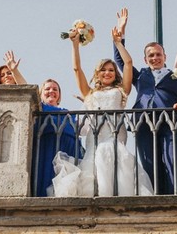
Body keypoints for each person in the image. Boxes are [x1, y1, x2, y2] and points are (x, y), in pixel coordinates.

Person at [53, 24, 151, 197]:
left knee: (117, 171)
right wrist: (75, 45)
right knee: (92, 173)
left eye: (111, 70)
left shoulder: (122, 91)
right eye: (103, 70)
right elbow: (77, 69)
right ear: (97, 74)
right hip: (95, 138)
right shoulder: (89, 93)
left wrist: (118, 43)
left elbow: (128, 63)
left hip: (114, 137)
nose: (108, 73)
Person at [113, 8, 177, 195]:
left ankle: (175, 196)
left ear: (165, 56)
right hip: (144, 122)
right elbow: (121, 61)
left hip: (169, 122)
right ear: (145, 59)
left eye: (158, 54)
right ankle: (154, 196)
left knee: (171, 159)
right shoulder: (141, 76)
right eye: (151, 56)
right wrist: (120, 36)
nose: (155, 58)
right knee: (148, 161)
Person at [35, 78, 79, 197]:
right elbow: (27, 90)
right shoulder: (40, 108)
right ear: (40, 94)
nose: (51, 91)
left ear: (59, 95)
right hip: (48, 151)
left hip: (69, 152)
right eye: (47, 88)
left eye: (55, 89)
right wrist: (15, 71)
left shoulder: (68, 113)